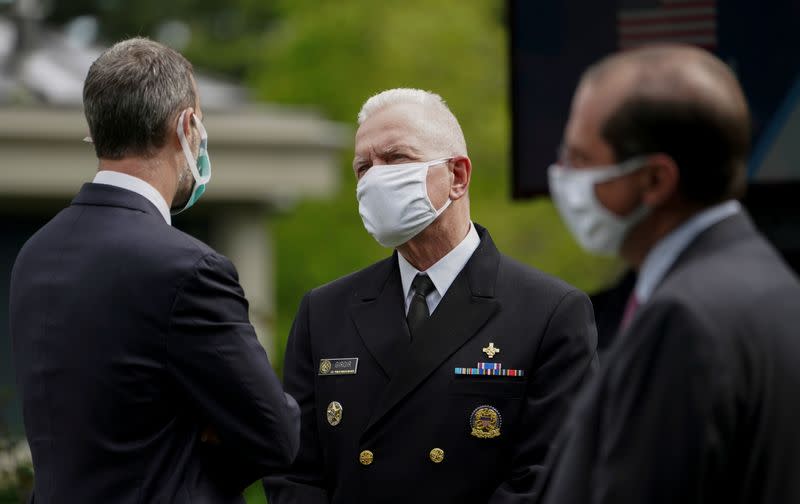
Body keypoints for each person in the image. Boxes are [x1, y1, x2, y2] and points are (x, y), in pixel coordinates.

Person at [263, 88, 598, 503]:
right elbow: (293, 472)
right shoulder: (325, 311)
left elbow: (548, 475)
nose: (375, 177)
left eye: (396, 158)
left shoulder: (550, 312)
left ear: (457, 175)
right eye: (363, 166)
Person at [9, 38, 299, 504]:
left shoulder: (35, 255)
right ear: (186, 125)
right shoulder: (188, 269)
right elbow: (276, 434)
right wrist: (204, 427)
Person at [540, 44, 800, 503]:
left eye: (581, 158)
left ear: (656, 180)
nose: (561, 174)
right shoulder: (775, 284)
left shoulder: (683, 318)